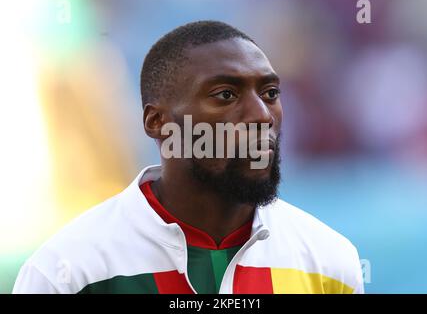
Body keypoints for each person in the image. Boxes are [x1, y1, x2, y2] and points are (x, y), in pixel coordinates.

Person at [13, 21, 364, 294]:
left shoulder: (329, 262)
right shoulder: (67, 270)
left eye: (270, 93)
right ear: (158, 123)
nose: (262, 116)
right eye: (226, 94)